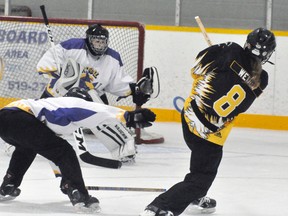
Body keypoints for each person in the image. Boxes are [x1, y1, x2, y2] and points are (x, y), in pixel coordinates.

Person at [140, 27, 276, 216]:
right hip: (211, 136)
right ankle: (159, 207)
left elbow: (195, 71)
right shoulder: (263, 80)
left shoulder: (231, 50)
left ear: (248, 43)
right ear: (268, 54)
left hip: (190, 118)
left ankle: (192, 195)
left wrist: (220, 54)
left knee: (198, 168)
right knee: (201, 179)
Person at [0, 88, 156, 213]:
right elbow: (99, 110)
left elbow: (49, 152)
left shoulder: (52, 107)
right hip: (18, 118)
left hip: (8, 121)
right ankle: (79, 196)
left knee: (27, 148)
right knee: (64, 151)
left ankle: (9, 184)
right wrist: (128, 116)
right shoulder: (74, 103)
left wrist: (65, 179)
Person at [36, 23, 157, 164]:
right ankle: (21, 141)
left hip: (92, 97)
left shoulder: (112, 57)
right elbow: (48, 62)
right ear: (88, 39)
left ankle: (124, 149)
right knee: (38, 121)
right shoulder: (72, 46)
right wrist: (56, 71)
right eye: (96, 41)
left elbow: (117, 82)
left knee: (106, 118)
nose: (99, 45)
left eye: (102, 42)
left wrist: (134, 90)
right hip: (58, 93)